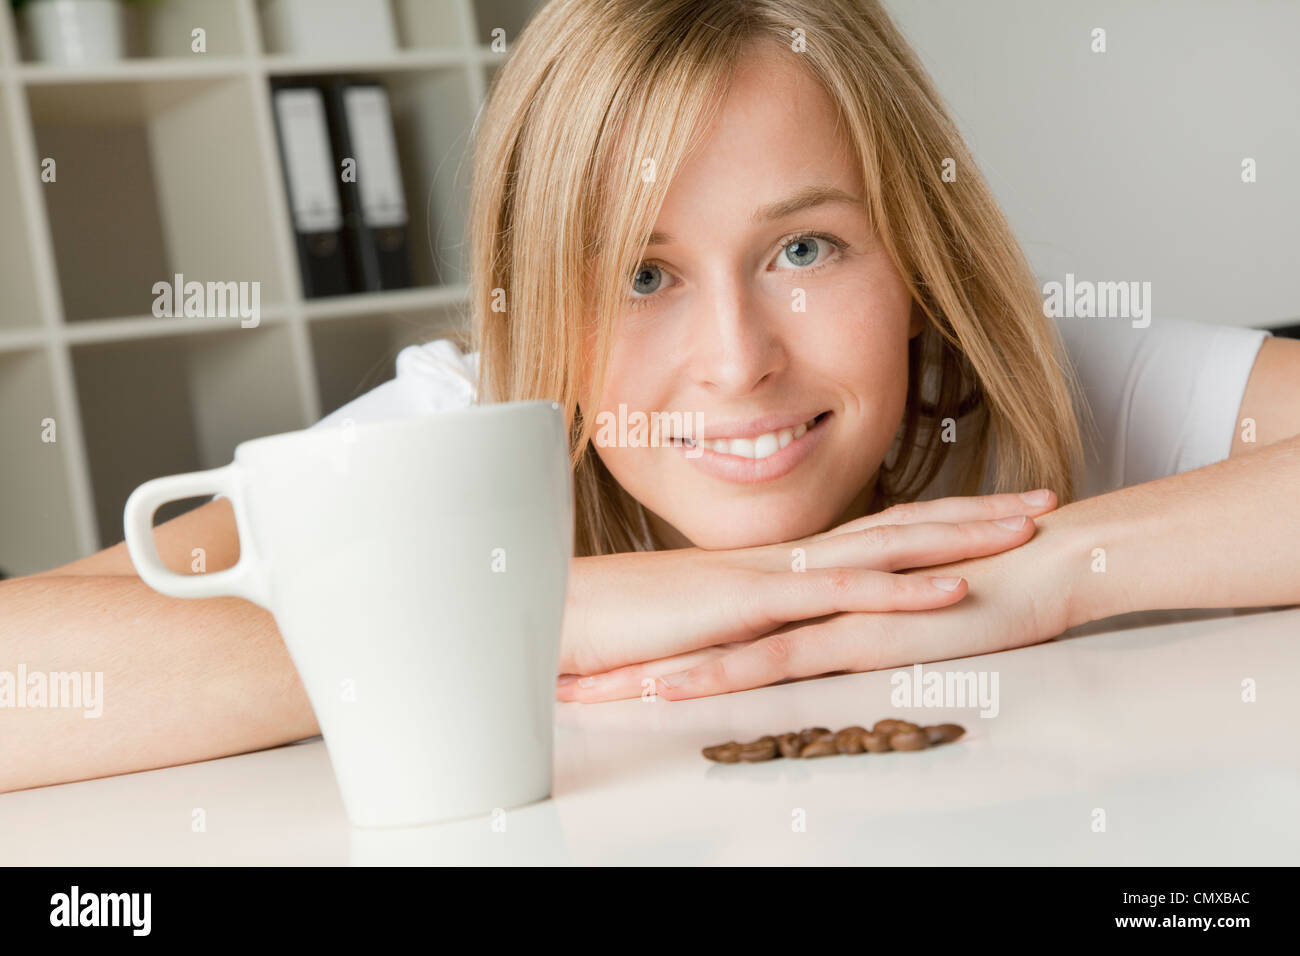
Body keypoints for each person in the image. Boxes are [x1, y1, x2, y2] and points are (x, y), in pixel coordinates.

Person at [3, 0, 1297, 793]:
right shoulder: (463, 441)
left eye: (805, 250)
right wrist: (526, 616)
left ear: (915, 257)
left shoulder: (1028, 383)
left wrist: (1051, 569)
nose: (736, 361)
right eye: (638, 272)